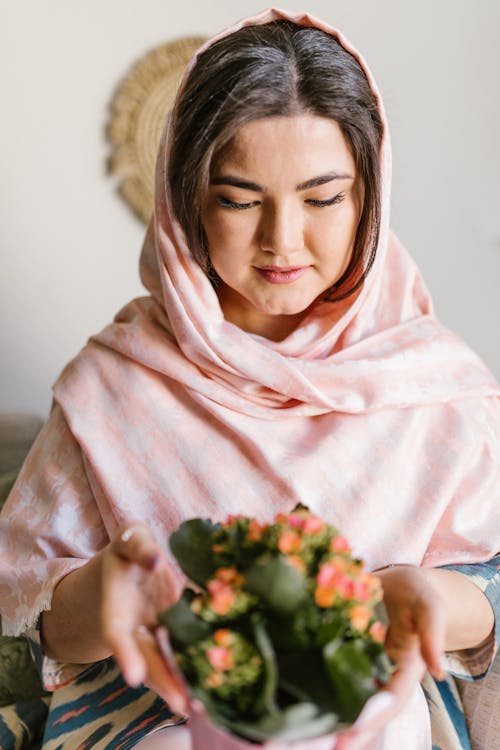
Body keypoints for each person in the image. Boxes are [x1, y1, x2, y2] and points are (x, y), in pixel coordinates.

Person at [0, 8, 499, 750]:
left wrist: (436, 598)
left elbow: (488, 599)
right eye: (238, 199)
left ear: (370, 196)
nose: (282, 241)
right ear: (186, 201)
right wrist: (92, 603)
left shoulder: (439, 387)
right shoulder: (112, 386)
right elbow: (17, 629)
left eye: (323, 198)